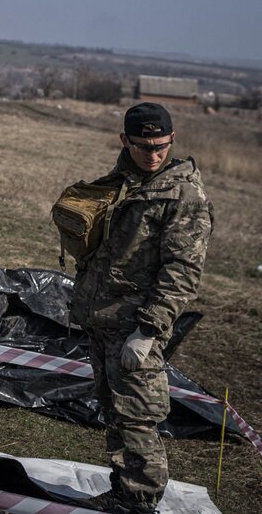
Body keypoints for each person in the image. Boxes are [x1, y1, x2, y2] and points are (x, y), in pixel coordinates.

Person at [70, 102, 213, 514]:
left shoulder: (183, 195)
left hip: (136, 325)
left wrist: (148, 331)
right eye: (144, 146)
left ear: (173, 141)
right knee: (115, 412)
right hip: (104, 319)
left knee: (137, 416)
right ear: (125, 141)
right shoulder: (121, 182)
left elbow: (182, 271)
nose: (154, 154)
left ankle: (139, 499)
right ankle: (122, 490)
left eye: (162, 146)